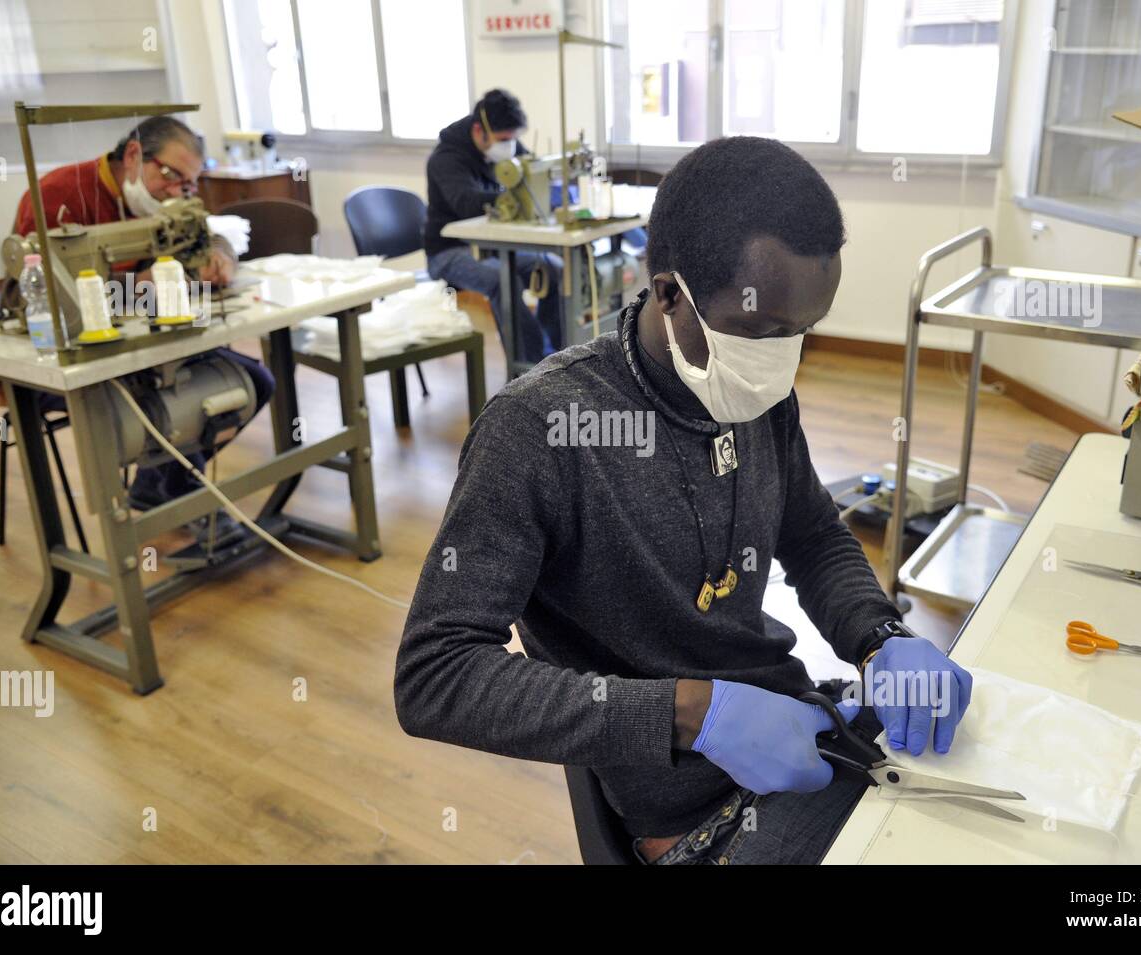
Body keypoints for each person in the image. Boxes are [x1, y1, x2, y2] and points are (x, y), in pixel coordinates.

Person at [395, 136, 974, 865]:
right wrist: (690, 713)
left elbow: (815, 537)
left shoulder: (754, 391)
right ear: (669, 292)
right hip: (694, 808)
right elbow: (434, 677)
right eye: (765, 333)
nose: (784, 362)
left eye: (803, 333)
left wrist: (880, 638)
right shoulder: (541, 432)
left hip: (801, 730)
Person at [11, 115, 275, 514]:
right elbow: (42, 295)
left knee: (254, 381)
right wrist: (135, 285)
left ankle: (160, 486)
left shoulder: (163, 203)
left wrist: (221, 255)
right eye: (170, 175)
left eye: (187, 183)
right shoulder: (56, 195)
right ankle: (182, 494)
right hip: (72, 354)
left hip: (150, 347)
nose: (177, 190)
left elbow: (211, 232)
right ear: (134, 154)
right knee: (174, 396)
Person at [424, 89, 564, 366]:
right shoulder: (446, 159)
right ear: (480, 130)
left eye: (514, 139)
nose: (511, 147)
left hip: (493, 249)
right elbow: (466, 203)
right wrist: (515, 197)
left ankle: (561, 355)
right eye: (504, 140)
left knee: (554, 268)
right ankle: (531, 369)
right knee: (502, 281)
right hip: (449, 252)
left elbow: (531, 171)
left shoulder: (504, 142)